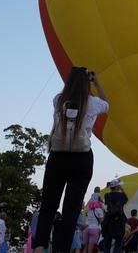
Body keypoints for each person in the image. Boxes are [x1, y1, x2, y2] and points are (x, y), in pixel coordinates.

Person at [33, 67, 108, 253]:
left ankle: (39, 247)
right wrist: (96, 82)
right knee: (71, 210)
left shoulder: (58, 100)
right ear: (86, 83)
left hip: (57, 157)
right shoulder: (93, 103)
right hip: (82, 158)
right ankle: (61, 249)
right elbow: (107, 104)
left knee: (48, 206)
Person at [102, 179, 129, 253]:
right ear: (117, 186)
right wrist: (122, 189)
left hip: (108, 221)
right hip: (119, 221)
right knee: (118, 244)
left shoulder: (107, 195)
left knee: (107, 245)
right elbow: (126, 199)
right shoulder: (121, 195)